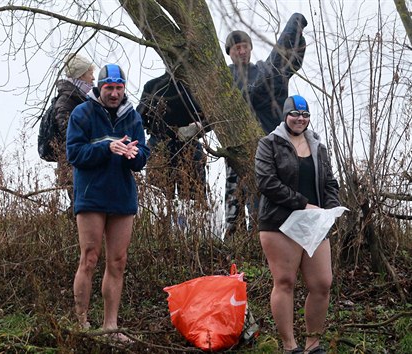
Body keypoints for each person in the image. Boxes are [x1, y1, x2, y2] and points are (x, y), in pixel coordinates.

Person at [66, 64, 149, 340]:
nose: (114, 94)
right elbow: (75, 153)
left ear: (124, 89)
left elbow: (142, 157)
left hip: (122, 195)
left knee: (118, 261)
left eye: (118, 88)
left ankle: (110, 326)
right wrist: (106, 147)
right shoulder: (82, 113)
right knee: (89, 258)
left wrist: (134, 154)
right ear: (99, 88)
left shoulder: (133, 117)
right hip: (91, 195)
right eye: (109, 88)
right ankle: (81, 323)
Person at [255, 95, 339, 354]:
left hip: (314, 223)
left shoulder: (318, 146)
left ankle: (312, 344)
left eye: (305, 114)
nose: (300, 118)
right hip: (280, 222)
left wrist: (329, 209)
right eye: (295, 113)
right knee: (285, 282)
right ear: (285, 115)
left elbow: (330, 183)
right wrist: (302, 203)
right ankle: (289, 346)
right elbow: (266, 182)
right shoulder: (269, 144)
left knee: (322, 283)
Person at [224, 13, 308, 237]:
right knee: (234, 195)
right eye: (236, 48)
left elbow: (289, 64)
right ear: (229, 53)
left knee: (263, 192)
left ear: (250, 48)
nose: (241, 51)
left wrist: (296, 35)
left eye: (244, 46)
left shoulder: (263, 70)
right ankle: (234, 240)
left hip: (268, 142)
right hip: (235, 145)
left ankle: (261, 236)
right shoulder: (224, 77)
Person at [137, 71, 210, 201]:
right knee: (158, 201)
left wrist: (199, 127)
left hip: (189, 150)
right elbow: (139, 118)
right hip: (160, 148)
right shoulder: (153, 86)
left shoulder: (196, 87)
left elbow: (212, 117)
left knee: (193, 203)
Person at [52, 53, 96, 198]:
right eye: (90, 73)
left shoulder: (83, 97)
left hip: (85, 160)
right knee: (80, 206)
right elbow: (68, 133)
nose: (93, 78)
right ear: (81, 75)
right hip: (74, 163)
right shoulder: (67, 101)